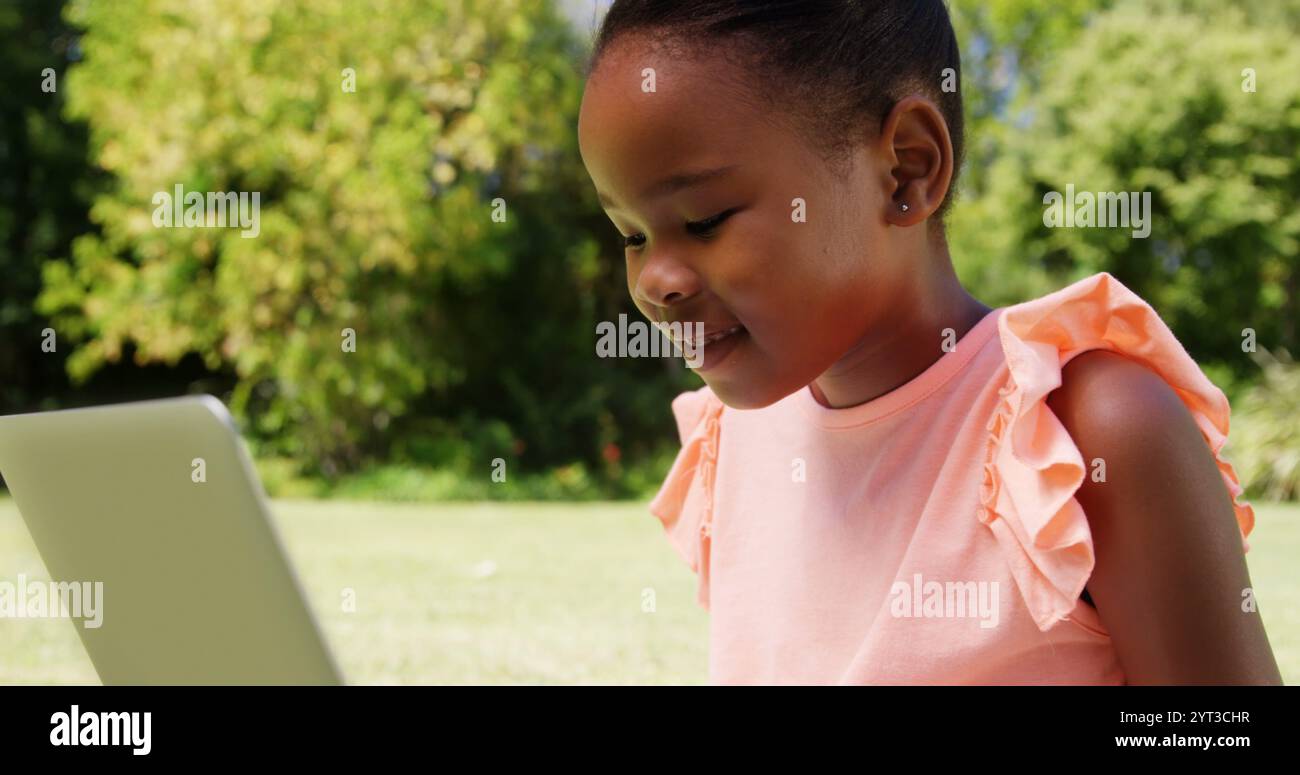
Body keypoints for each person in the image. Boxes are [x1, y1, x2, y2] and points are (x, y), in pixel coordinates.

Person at [576, 0, 1282, 684]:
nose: (654, 282)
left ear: (907, 168)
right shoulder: (730, 442)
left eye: (704, 220)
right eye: (632, 235)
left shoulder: (1082, 433)